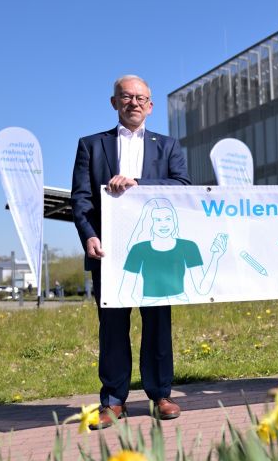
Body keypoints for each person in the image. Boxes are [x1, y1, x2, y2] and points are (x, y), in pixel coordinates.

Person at [71, 75, 191, 429]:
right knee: (112, 327)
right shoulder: (91, 145)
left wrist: (140, 183)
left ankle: (161, 394)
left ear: (150, 105)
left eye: (141, 98)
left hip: (158, 252)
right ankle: (113, 400)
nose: (134, 103)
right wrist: (89, 236)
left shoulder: (168, 146)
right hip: (108, 253)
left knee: (157, 325)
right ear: (114, 103)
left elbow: (183, 186)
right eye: (126, 97)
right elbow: (80, 198)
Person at [118, 198, 227, 306]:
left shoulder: (189, 246)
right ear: (149, 223)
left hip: (181, 302)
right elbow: (124, 292)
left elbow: (202, 289)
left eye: (168, 219)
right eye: (157, 220)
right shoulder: (138, 249)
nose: (164, 224)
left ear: (174, 220)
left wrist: (215, 258)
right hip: (149, 302)